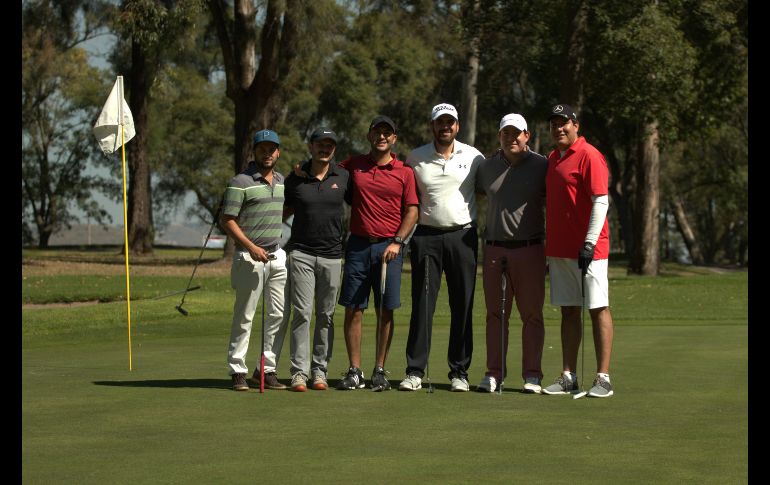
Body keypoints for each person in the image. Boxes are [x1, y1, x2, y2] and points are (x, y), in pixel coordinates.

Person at [398, 103, 485, 393]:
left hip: (463, 236)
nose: (445, 126)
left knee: (463, 304)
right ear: (432, 126)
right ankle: (415, 371)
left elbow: (489, 187)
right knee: (423, 304)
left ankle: (459, 372)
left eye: (450, 122)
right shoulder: (416, 157)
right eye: (440, 122)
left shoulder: (473, 156)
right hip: (426, 237)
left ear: (457, 126)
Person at [336, 115, 419, 391]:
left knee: (385, 310)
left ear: (394, 138)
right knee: (353, 308)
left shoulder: (404, 171)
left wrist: (398, 241)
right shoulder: (354, 165)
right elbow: (326, 172)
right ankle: (354, 371)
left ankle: (380, 370)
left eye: (387, 133)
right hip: (358, 245)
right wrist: (301, 171)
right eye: (377, 132)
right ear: (369, 136)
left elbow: (412, 211)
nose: (381, 136)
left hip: (389, 248)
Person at [541, 103, 615, 398]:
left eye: (564, 123)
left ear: (575, 125)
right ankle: (568, 375)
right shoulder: (552, 158)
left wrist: (589, 242)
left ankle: (603, 378)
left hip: (590, 250)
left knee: (597, 308)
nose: (558, 128)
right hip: (560, 248)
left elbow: (600, 200)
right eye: (554, 124)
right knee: (569, 310)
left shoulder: (589, 155)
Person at [474, 113, 548, 393]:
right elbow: (475, 194)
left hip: (530, 248)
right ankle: (494, 373)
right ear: (499, 136)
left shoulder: (542, 165)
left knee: (532, 314)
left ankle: (532, 375)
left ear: (527, 135)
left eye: (517, 133)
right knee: (495, 315)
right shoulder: (486, 166)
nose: (511, 138)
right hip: (494, 249)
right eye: (506, 133)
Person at [283, 127, 350, 392]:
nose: (325, 148)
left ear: (334, 149)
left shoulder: (343, 176)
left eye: (329, 145)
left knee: (326, 315)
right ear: (310, 146)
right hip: (301, 253)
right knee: (302, 313)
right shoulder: (295, 178)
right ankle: (299, 372)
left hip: (332, 255)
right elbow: (281, 209)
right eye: (320, 144)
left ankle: (319, 370)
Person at [222, 129, 289, 391]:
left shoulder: (281, 181)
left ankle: (266, 370)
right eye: (263, 149)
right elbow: (228, 220)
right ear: (255, 151)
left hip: (276, 255)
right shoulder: (240, 182)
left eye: (272, 149)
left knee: (276, 315)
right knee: (245, 316)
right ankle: (237, 370)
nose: (267, 153)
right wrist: (251, 247)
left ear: (278, 152)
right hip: (249, 257)